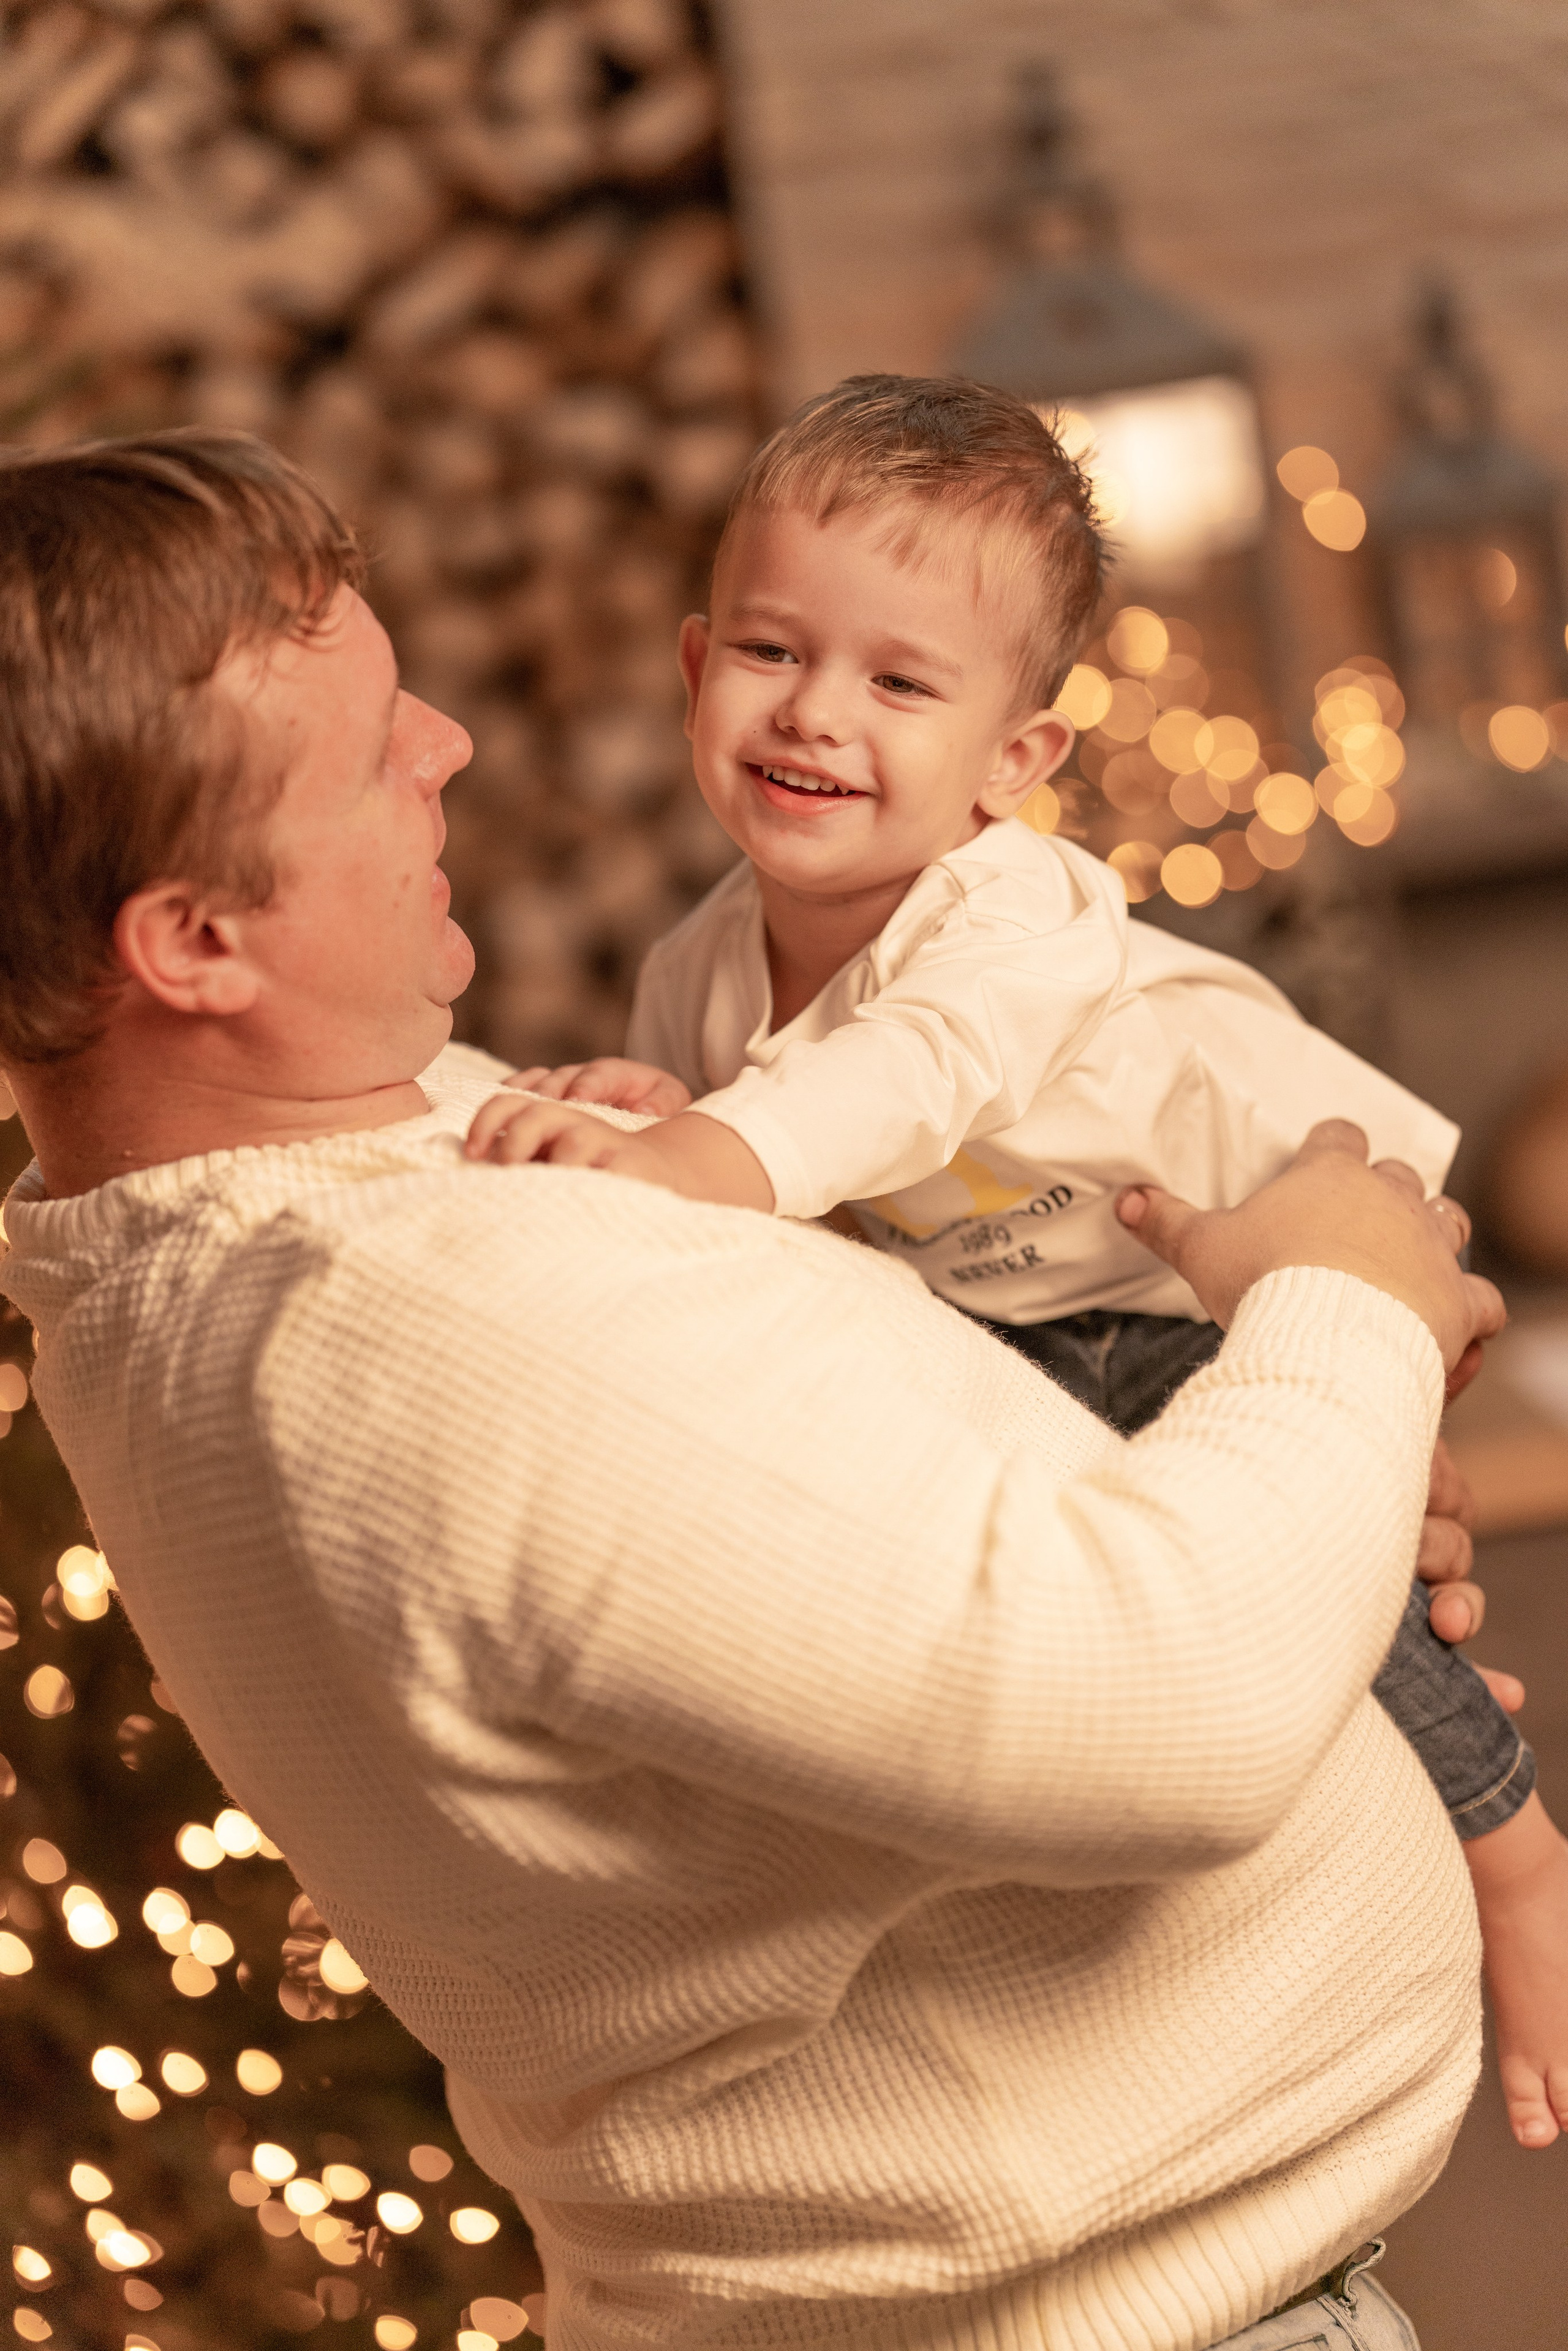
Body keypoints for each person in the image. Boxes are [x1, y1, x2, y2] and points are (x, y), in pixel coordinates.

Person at [0, 429, 1515, 2351]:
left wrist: (1293, 1479)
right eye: (376, 748)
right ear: (196, 941)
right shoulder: (436, 1324)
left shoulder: (289, 1200)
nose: (450, 745)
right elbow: (1181, 1704)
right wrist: (1342, 1305)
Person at [467, 375, 1568, 2157]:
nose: (815, 712)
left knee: (1320, 1574)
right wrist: (654, 1106)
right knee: (1113, 1626)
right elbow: (763, 1176)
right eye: (770, 651)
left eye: (901, 685)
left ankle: (1516, 1857)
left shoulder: (1019, 913)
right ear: (693, 671)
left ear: (1014, 762)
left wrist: (694, 1154)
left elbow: (904, 1080)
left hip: (1227, 1265)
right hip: (1023, 1324)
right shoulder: (697, 969)